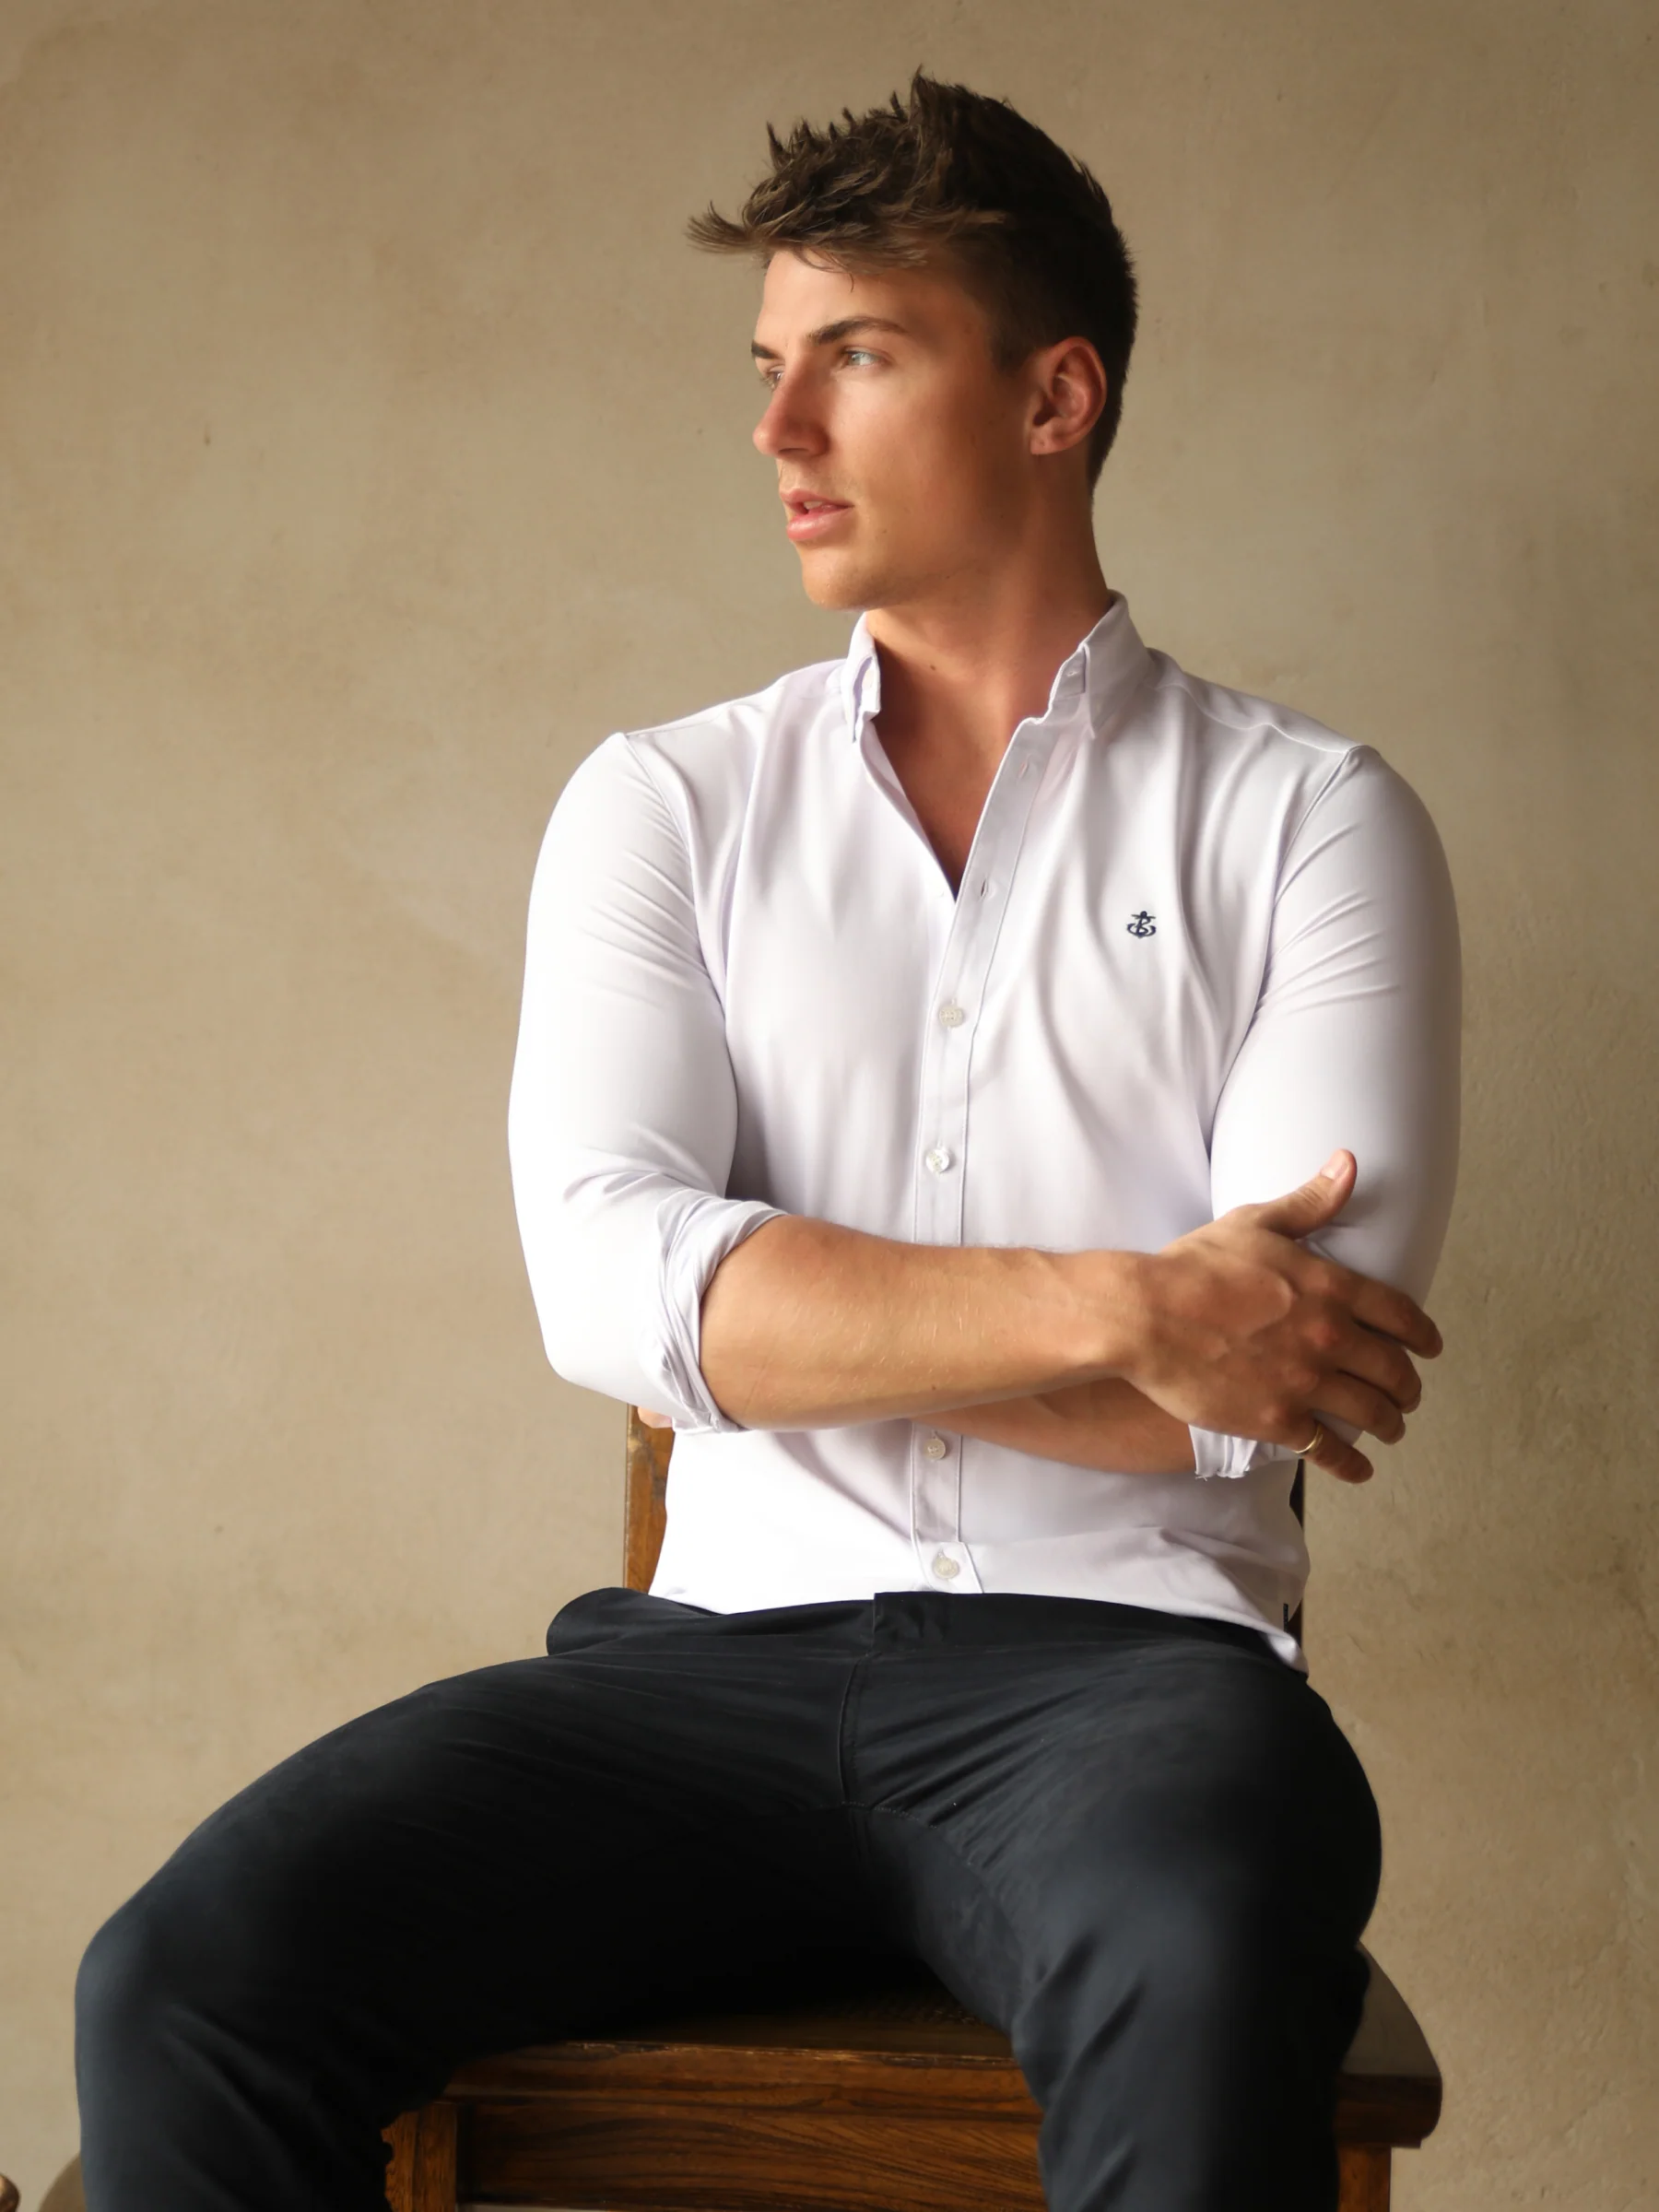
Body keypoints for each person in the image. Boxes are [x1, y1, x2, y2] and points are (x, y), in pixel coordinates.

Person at [75, 73, 1460, 2212]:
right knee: (184, 1980)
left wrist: (784, 1316)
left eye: (858, 357)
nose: (778, 430)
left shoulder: (1309, 824)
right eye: (766, 367)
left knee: (1199, 1966)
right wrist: (1131, 1303)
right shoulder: (667, 807)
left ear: (1054, 396)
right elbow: (609, 1293)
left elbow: (1273, 1379)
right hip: (697, 1675)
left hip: (1128, 1688)